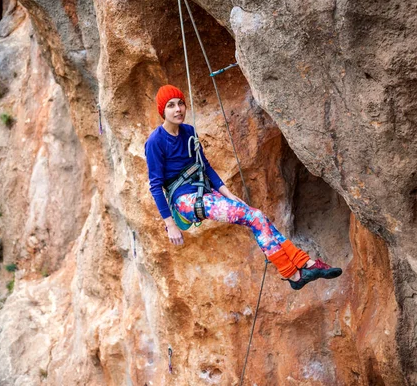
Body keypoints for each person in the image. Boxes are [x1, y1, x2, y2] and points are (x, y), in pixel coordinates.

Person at [145, 85, 342, 290]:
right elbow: (156, 187)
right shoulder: (155, 142)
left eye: (180, 104)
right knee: (255, 218)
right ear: (163, 111)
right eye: (171, 106)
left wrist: (229, 195)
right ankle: (293, 274)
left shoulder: (189, 131)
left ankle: (306, 264)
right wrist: (170, 225)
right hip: (185, 201)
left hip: (204, 191)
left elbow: (205, 167)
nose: (178, 109)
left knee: (258, 216)